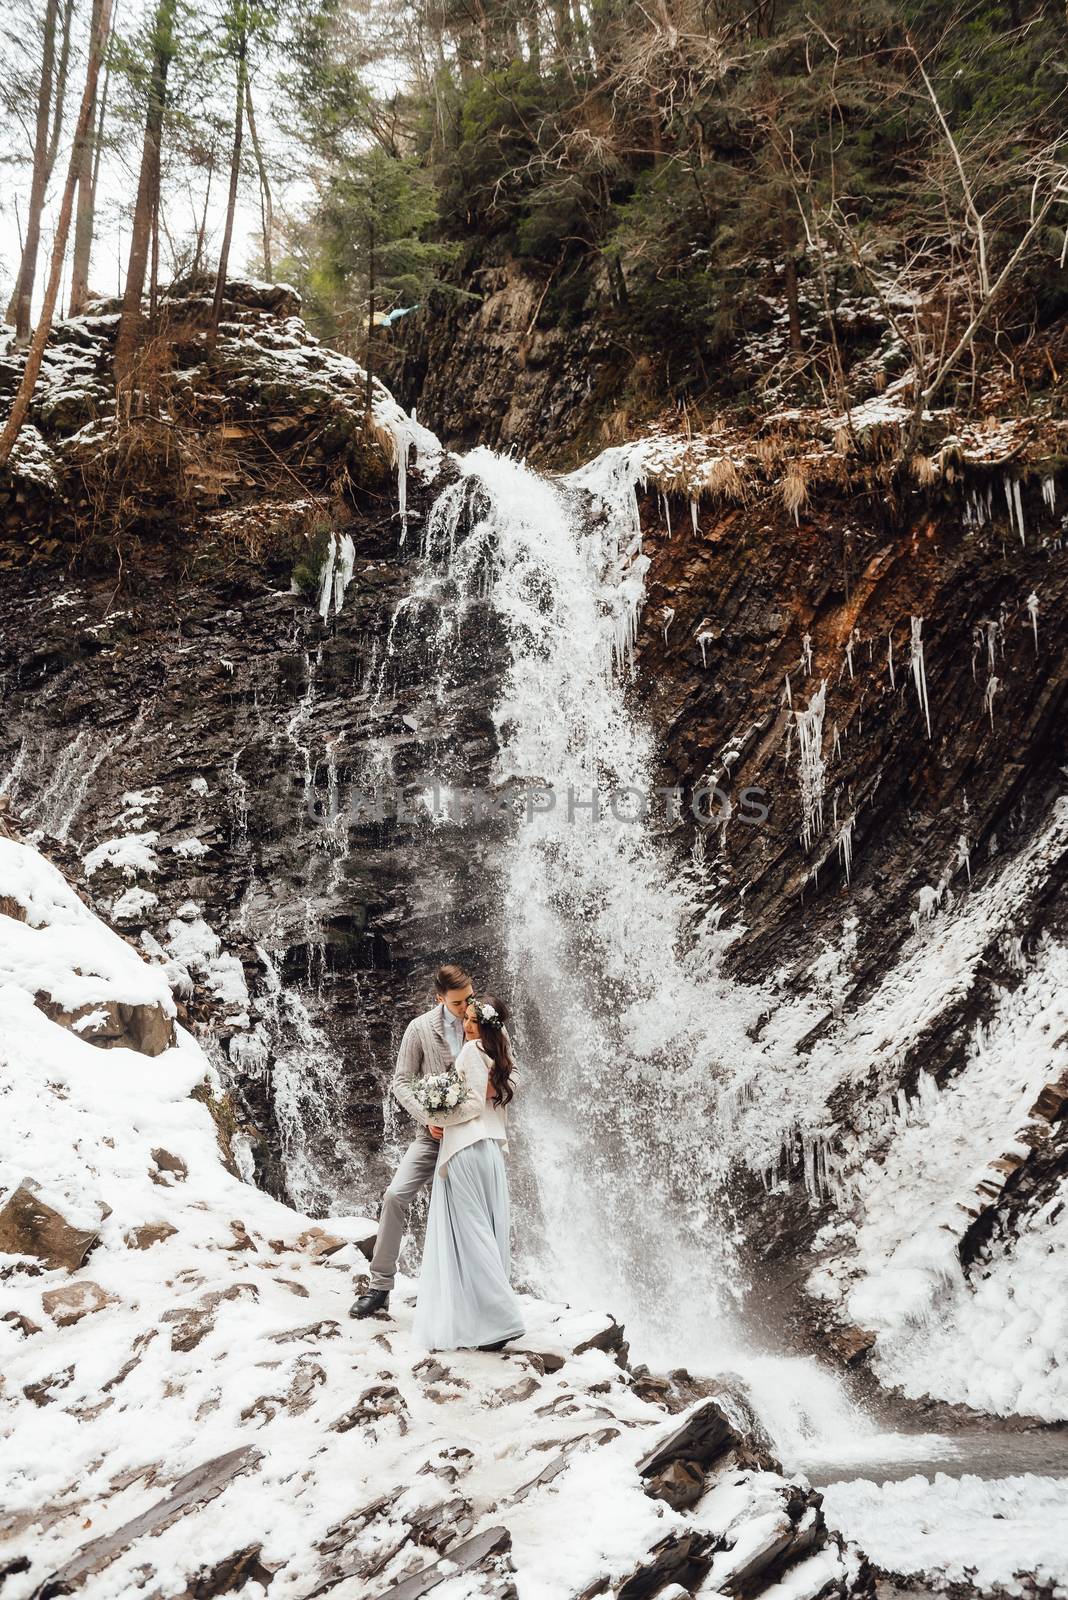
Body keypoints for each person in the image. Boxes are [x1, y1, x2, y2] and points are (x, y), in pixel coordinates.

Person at [350, 963, 474, 1319]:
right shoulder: (419, 1028)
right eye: (457, 1004)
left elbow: (510, 1071)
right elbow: (401, 1083)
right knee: (395, 1195)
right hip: (431, 1137)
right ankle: (379, 1288)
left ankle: (470, 1297)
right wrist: (428, 1117)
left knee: (470, 1212)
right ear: (439, 999)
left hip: (471, 1139)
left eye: (469, 999)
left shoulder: (486, 1020)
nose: (466, 1008)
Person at [412, 994, 524, 1352]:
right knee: (489, 1229)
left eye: (474, 1020)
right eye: (467, 1019)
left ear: (487, 1025)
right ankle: (486, 1322)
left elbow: (472, 1104)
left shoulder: (471, 1051)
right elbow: (506, 1086)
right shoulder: (501, 1051)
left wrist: (435, 1116)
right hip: (490, 1148)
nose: (467, 1025)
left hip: (465, 1149)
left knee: (472, 1233)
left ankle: (502, 1318)